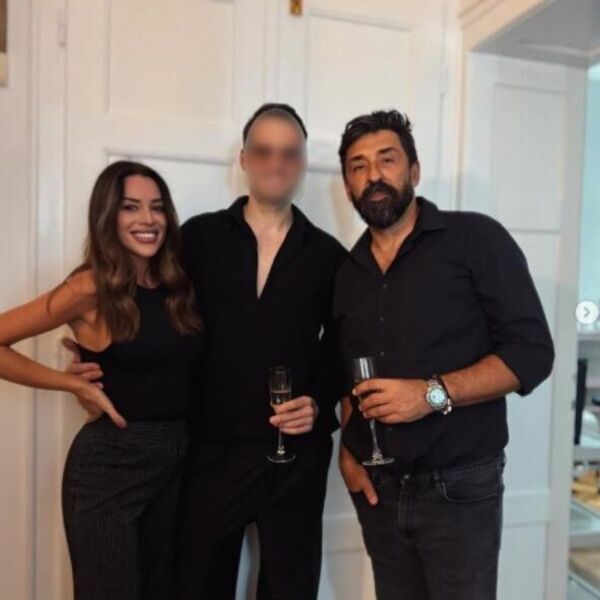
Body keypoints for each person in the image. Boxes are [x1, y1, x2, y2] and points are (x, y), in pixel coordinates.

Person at [67, 104, 348, 599]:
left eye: (289, 153)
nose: (276, 163)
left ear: (303, 162)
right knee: (196, 586)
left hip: (295, 455)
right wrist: (97, 366)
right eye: (264, 150)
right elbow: (146, 312)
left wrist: (319, 400)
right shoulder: (196, 238)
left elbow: (344, 347)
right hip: (209, 452)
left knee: (291, 589)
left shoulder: (330, 255)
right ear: (244, 159)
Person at [333, 110, 554, 600]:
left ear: (413, 170)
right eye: (358, 166)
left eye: (387, 160)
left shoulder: (475, 239)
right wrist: (347, 452)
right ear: (347, 187)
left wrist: (430, 395)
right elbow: (346, 374)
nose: (373, 176)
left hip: (460, 489)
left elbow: (532, 352)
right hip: (379, 491)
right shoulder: (347, 272)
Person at [0, 160, 204, 600]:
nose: (147, 219)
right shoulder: (89, 287)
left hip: (174, 461)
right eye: (131, 207)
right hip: (110, 467)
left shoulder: (175, 285)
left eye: (157, 207)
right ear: (108, 216)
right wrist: (74, 384)